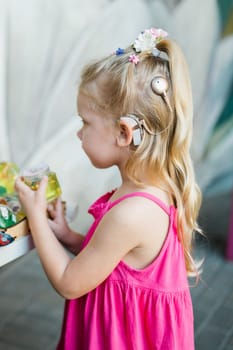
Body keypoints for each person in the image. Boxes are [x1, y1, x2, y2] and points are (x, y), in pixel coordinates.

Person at [15, 27, 202, 350]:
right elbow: (112, 259)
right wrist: (66, 235)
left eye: (85, 122)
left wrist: (33, 213)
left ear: (123, 133)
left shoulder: (134, 212)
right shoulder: (146, 190)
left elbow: (69, 283)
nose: (79, 134)